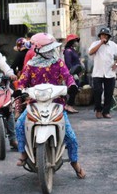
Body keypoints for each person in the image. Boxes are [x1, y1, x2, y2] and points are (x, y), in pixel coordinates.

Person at [14, 33, 86, 179]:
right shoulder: (30, 65)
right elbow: (22, 81)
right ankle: (23, 152)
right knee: (19, 125)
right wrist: (19, 90)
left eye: (50, 48)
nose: (50, 51)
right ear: (38, 49)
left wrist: (71, 85)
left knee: (71, 137)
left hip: (56, 104)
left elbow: (68, 76)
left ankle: (75, 163)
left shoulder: (58, 62)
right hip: (34, 104)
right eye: (47, 48)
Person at [88, 27, 117, 119]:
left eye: (106, 35)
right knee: (97, 91)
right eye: (102, 35)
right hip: (97, 73)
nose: (104, 37)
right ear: (100, 36)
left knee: (109, 93)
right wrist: (100, 43)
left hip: (110, 73)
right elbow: (91, 52)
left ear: (108, 37)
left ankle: (106, 111)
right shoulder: (95, 44)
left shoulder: (113, 45)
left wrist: (116, 64)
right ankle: (98, 110)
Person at [63, 34, 83, 114]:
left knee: (75, 89)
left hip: (76, 72)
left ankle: (69, 106)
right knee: (73, 89)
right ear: (71, 41)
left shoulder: (72, 50)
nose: (76, 43)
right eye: (75, 41)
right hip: (72, 73)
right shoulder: (68, 51)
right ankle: (69, 106)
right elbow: (68, 63)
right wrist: (73, 73)